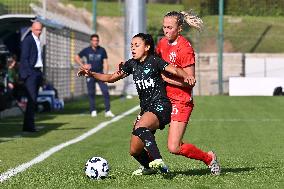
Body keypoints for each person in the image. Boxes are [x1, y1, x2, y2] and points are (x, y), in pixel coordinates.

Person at [77, 33, 196, 175]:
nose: (133, 48)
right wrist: (91, 74)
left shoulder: (155, 61)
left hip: (161, 106)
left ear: (147, 47)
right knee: (135, 150)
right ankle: (149, 168)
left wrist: (187, 76)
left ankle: (158, 160)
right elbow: (110, 78)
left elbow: (175, 69)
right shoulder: (131, 64)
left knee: (140, 126)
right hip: (146, 109)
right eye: (131, 46)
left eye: (136, 45)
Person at [155, 11, 221, 175]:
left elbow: (190, 81)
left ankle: (209, 158)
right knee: (142, 128)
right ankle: (147, 165)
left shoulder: (184, 48)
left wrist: (166, 80)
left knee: (174, 147)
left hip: (180, 101)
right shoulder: (162, 43)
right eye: (164, 27)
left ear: (180, 29)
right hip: (163, 98)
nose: (166, 31)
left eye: (170, 27)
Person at [75, 34, 115, 118]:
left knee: (105, 92)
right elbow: (76, 57)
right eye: (94, 40)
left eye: (97, 40)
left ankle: (108, 111)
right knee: (91, 93)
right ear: (91, 41)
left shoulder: (102, 50)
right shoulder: (87, 50)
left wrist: (106, 75)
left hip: (100, 74)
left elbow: (106, 63)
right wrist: (83, 65)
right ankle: (93, 110)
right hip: (90, 74)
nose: (95, 42)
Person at [19, 20, 43, 132]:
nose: (39, 32)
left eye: (40, 29)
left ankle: (28, 125)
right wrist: (30, 73)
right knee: (31, 100)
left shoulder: (38, 40)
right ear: (32, 29)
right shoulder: (28, 40)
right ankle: (29, 126)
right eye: (37, 30)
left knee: (34, 100)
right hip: (32, 73)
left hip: (38, 72)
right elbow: (24, 58)